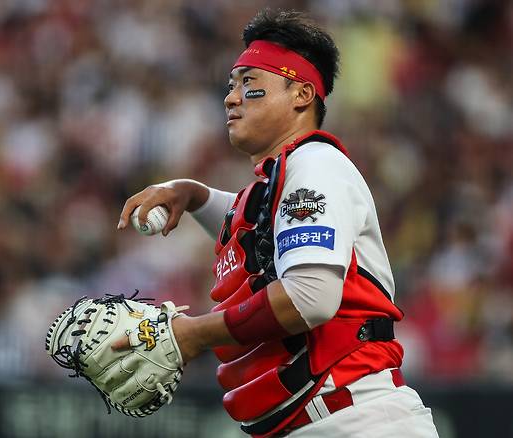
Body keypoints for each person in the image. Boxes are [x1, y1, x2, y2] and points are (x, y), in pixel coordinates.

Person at [116, 9, 439, 438]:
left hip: (356, 421)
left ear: (302, 94)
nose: (231, 98)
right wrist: (194, 194)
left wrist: (192, 334)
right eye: (231, 86)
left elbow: (309, 296)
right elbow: (258, 229)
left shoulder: (315, 165)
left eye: (250, 84)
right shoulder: (284, 179)